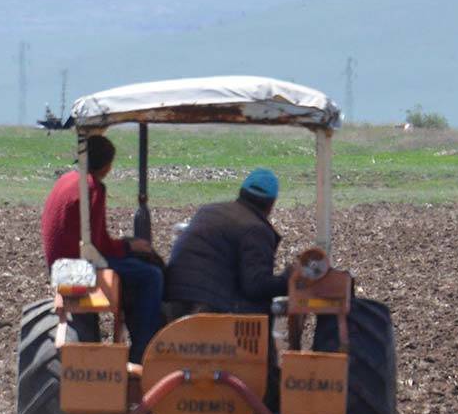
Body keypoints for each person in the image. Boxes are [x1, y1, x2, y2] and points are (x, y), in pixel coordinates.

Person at [41, 134, 163, 362]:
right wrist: (129, 246)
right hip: (80, 265)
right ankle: (143, 352)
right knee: (151, 275)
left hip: (59, 262)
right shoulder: (92, 188)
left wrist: (124, 245)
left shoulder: (66, 180)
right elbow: (98, 246)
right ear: (106, 165)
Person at [165, 167, 290, 316]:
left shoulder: (208, 211)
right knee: (261, 309)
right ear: (271, 204)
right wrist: (289, 278)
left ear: (242, 192)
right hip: (206, 308)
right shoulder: (255, 229)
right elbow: (256, 287)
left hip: (173, 299)